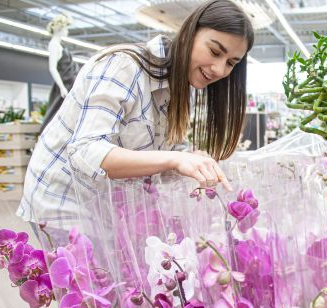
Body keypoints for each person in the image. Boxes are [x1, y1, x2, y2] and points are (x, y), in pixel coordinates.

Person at [18, 0, 254, 229]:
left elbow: (157, 152)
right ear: (189, 33)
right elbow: (85, 150)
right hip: (63, 202)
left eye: (231, 63)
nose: (219, 69)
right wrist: (174, 160)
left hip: (107, 205)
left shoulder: (182, 88)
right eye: (214, 51)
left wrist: (187, 158)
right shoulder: (123, 66)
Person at [41, 13, 80, 131]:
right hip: (64, 86)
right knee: (56, 114)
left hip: (69, 84)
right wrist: (62, 87)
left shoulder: (59, 45)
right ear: (60, 28)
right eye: (66, 28)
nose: (67, 31)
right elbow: (52, 68)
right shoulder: (53, 45)